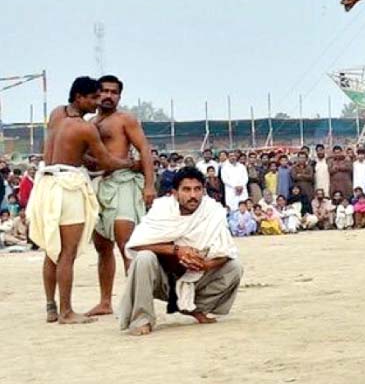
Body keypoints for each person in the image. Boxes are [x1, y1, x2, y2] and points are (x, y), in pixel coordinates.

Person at [29, 77, 136, 325]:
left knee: (51, 250)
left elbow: (74, 152)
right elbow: (106, 161)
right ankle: (66, 311)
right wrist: (131, 164)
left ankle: (51, 307)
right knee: (67, 251)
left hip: (46, 183)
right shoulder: (85, 127)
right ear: (79, 97)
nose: (97, 102)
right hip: (67, 185)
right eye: (93, 97)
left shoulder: (56, 114)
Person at [118, 167, 242, 335]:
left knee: (234, 267)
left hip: (195, 276)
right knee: (144, 258)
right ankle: (142, 318)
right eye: (187, 189)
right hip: (162, 279)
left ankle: (196, 308)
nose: (193, 195)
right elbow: (135, 244)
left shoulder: (212, 212)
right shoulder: (161, 210)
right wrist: (176, 250)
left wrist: (205, 264)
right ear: (175, 192)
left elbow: (226, 251)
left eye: (197, 189)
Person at [87, 75, 156, 317]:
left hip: (124, 185)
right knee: (102, 247)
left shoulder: (125, 119)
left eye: (113, 92)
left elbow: (144, 149)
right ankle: (105, 302)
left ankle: (137, 304)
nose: (108, 95)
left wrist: (149, 185)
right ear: (96, 93)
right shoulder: (91, 123)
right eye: (104, 91)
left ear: (119, 96)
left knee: (126, 246)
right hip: (99, 185)